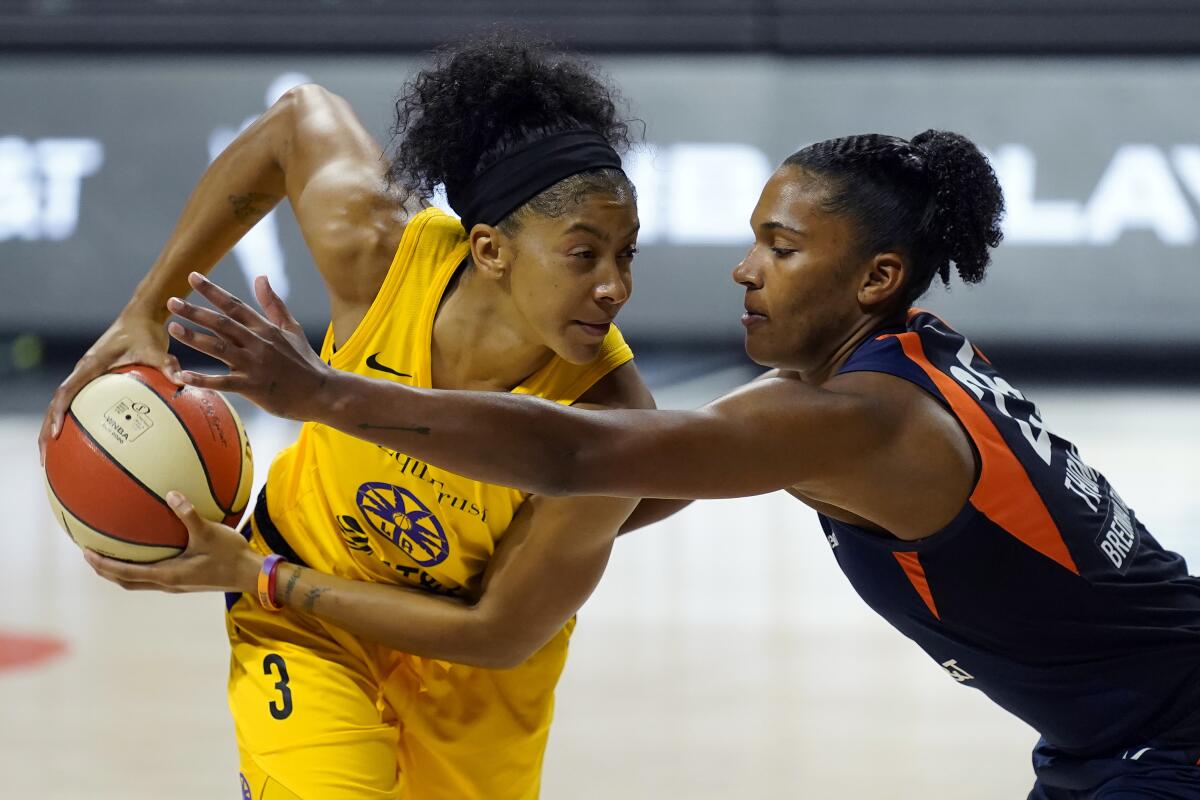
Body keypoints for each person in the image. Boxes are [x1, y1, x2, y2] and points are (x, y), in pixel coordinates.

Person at [129, 130, 1200, 798]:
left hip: (1172, 739)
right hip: (1113, 742)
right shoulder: (907, 359)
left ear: (876, 276)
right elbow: (628, 480)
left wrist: (324, 395)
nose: (745, 268)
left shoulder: (863, 419)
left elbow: (581, 451)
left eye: (781, 247)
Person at [40, 35, 654, 800]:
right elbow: (296, 121)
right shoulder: (378, 253)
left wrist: (257, 575)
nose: (614, 286)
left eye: (627, 255)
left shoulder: (610, 418)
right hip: (303, 604)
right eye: (583, 255)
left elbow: (499, 632)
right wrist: (147, 310)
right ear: (491, 250)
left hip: (465, 670)